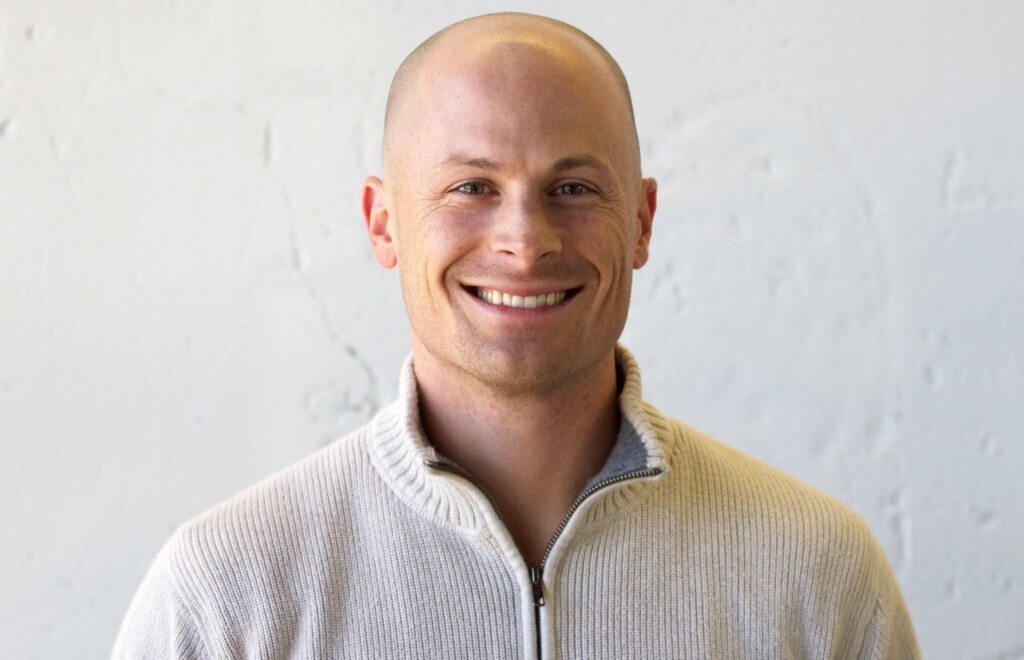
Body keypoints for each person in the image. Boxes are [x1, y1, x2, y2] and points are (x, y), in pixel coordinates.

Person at [113, 12, 920, 659]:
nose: (525, 243)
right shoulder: (226, 594)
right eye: (472, 187)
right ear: (384, 222)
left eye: (573, 187)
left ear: (642, 222)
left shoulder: (817, 572)